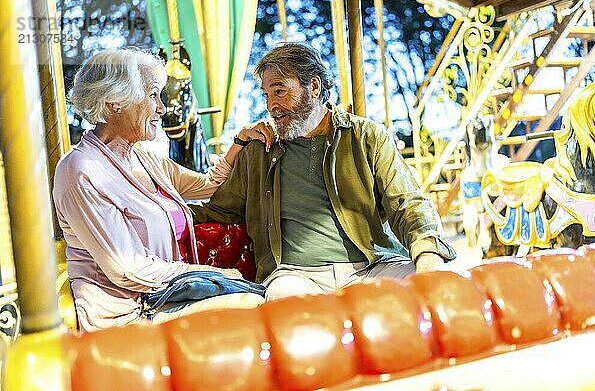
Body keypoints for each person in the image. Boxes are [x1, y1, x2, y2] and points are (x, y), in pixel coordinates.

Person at [191, 43, 457, 301]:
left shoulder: (367, 137)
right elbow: (219, 210)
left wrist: (428, 256)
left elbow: (408, 204)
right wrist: (158, 209)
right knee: (286, 303)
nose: (271, 104)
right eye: (266, 95)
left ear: (314, 86)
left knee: (439, 286)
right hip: (295, 276)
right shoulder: (258, 152)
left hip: (372, 266)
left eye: (280, 91)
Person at [53, 49, 274, 332]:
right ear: (114, 102)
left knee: (265, 301)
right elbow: (128, 269)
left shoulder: (143, 159)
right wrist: (214, 274)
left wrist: (240, 141)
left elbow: (207, 185)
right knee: (256, 309)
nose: (162, 108)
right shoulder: (81, 169)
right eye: (153, 95)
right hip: (128, 317)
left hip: (169, 297)